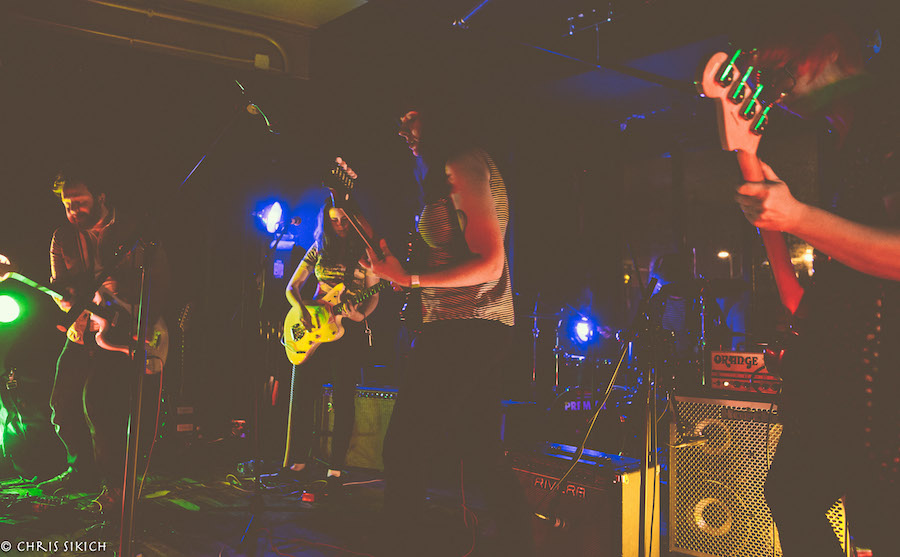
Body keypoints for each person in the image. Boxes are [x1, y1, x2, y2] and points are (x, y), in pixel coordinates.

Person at [734, 7, 899, 555]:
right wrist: (768, 200)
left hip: (884, 386)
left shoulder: (889, 115)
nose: (778, 89)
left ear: (831, 47)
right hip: (848, 375)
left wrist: (797, 216)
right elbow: (803, 294)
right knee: (791, 493)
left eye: (785, 67)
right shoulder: (843, 140)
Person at [360, 100, 534, 556]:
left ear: (438, 112)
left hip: (468, 327)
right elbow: (451, 258)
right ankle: (519, 544)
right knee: (479, 450)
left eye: (409, 117)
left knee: (406, 446)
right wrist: (400, 271)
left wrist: (410, 278)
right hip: (469, 326)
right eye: (398, 121)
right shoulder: (448, 171)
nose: (402, 130)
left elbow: (490, 263)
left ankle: (397, 546)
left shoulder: (463, 163)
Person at [39, 165, 169, 515]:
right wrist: (64, 299)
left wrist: (140, 322)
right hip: (83, 330)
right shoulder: (62, 237)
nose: (73, 210)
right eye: (67, 204)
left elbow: (159, 281)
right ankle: (80, 472)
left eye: (79, 201)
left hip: (123, 330)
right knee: (62, 403)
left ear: (100, 196)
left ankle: (116, 488)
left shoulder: (134, 231)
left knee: (99, 406)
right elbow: (60, 287)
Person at [283, 197, 379, 486]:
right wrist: (301, 309)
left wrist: (360, 315)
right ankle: (299, 460)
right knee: (303, 396)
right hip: (313, 327)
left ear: (355, 220)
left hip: (346, 332)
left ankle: (335, 467)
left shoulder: (366, 253)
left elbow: (374, 295)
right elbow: (292, 287)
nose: (340, 225)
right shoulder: (318, 248)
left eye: (345, 220)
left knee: (343, 400)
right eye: (334, 220)